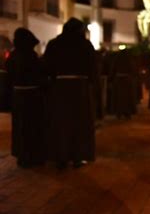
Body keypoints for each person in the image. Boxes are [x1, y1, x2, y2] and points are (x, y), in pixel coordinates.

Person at [43, 18, 99, 169]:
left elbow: (46, 66)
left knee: (61, 123)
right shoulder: (85, 45)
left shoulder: (54, 44)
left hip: (60, 89)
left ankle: (61, 156)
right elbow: (93, 68)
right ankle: (77, 157)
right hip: (80, 89)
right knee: (79, 124)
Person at [5, 28, 45, 167]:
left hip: (18, 96)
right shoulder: (31, 56)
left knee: (20, 127)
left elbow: (9, 76)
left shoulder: (13, 56)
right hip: (32, 96)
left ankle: (22, 156)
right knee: (32, 127)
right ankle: (32, 156)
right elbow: (39, 74)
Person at [110, 48, 137, 119]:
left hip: (119, 79)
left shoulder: (117, 59)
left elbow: (113, 69)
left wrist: (111, 79)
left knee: (119, 97)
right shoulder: (129, 59)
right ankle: (127, 113)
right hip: (127, 80)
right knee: (127, 97)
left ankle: (119, 113)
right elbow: (133, 69)